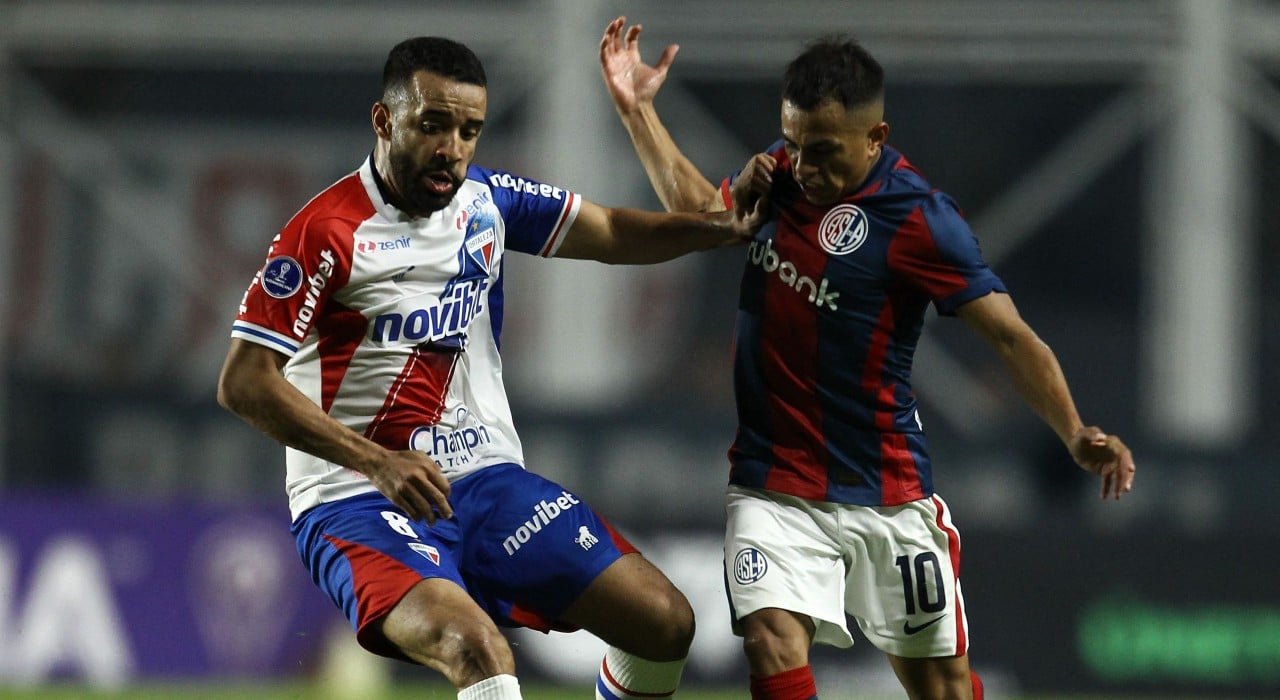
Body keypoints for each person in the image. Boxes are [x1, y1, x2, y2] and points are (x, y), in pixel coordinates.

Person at [599, 17, 1137, 700]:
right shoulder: (781, 174)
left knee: (942, 688)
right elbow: (702, 214)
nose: (805, 166)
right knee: (769, 639)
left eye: (823, 150)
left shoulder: (922, 220)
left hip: (887, 493)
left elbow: (1011, 337)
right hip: (773, 485)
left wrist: (1074, 431)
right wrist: (638, 110)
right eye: (794, 142)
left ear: (875, 136)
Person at [217, 36, 767, 700]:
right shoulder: (324, 231)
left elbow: (618, 231)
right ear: (384, 120)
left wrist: (717, 219)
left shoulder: (487, 200)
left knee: (664, 622)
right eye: (433, 125)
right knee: (477, 649)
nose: (451, 147)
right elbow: (244, 381)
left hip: (484, 482)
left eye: (469, 130)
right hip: (356, 500)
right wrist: (377, 462)